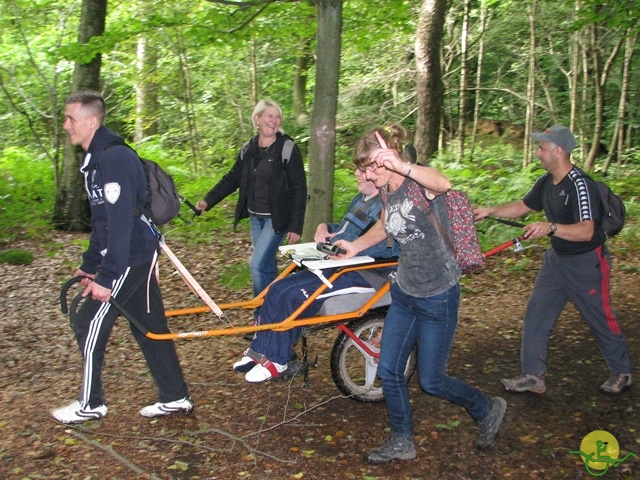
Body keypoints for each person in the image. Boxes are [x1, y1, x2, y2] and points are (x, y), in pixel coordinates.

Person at [335, 124, 506, 464]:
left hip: (438, 294)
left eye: (372, 166)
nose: (368, 174)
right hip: (405, 292)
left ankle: (486, 407)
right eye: (365, 168)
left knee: (432, 380)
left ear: (389, 159)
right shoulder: (386, 191)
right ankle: (402, 439)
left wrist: (402, 165)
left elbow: (444, 184)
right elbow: (385, 225)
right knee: (389, 370)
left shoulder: (417, 184)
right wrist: (354, 246)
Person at [51, 91, 192, 424]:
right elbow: (102, 222)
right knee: (149, 326)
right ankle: (175, 396)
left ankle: (91, 403)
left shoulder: (114, 159)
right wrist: (88, 266)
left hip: (131, 257)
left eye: (71, 118)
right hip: (133, 255)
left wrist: (107, 276)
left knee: (88, 320)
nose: (65, 125)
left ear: (91, 121)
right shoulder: (95, 161)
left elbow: (121, 224)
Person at [474, 125, 633, 395]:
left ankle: (622, 371)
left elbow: (587, 231)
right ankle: (533, 376)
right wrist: (491, 210)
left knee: (599, 317)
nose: (538, 153)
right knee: (537, 314)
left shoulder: (580, 185)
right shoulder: (546, 181)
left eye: (541, 148)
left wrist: (551, 227)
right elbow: (523, 207)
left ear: (558, 151)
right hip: (556, 261)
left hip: (586, 263)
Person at [232, 167, 401, 382]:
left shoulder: (387, 207)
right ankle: (260, 351)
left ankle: (277, 359)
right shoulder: (361, 199)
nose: (357, 174)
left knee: (296, 295)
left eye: (362, 170)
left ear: (378, 176)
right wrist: (324, 228)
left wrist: (350, 248)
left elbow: (390, 248)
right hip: (336, 265)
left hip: (365, 274)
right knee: (278, 288)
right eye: (356, 169)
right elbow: (342, 229)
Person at [196, 99, 307, 322]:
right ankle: (277, 314)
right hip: (256, 218)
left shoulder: (287, 148)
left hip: (277, 220)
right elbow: (231, 179)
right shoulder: (248, 150)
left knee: (256, 264)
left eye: (277, 117)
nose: (274, 121)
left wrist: (296, 225)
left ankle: (261, 317)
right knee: (265, 266)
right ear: (257, 119)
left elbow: (299, 188)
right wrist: (208, 201)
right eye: (269, 116)